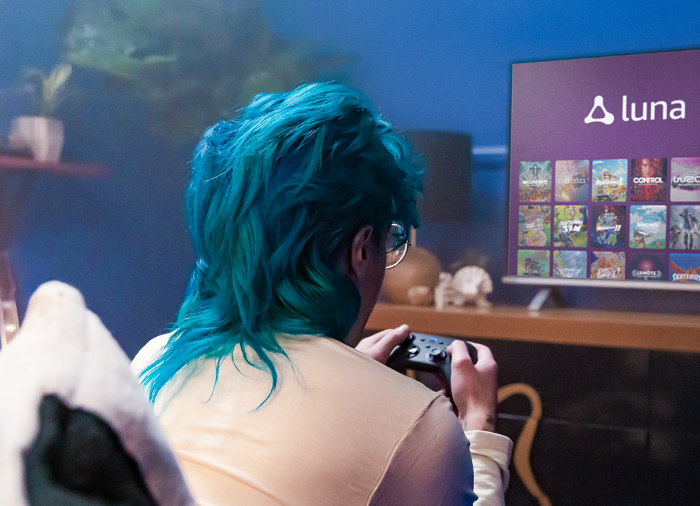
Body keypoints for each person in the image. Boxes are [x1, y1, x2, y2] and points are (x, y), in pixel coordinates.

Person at [131, 83, 511, 505]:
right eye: (389, 240)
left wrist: (353, 380)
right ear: (361, 249)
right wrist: (480, 429)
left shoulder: (151, 363)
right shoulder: (420, 425)